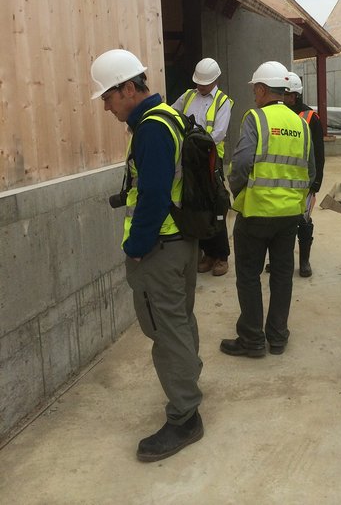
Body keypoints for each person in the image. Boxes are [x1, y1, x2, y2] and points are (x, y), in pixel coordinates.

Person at [90, 49, 203, 461]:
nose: (105, 105)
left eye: (106, 96)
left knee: (165, 331)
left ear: (126, 89)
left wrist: (136, 250)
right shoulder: (171, 116)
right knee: (179, 321)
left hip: (160, 249)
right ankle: (189, 385)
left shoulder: (151, 129)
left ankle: (184, 417)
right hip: (181, 243)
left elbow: (153, 197)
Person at [220, 61, 315, 358]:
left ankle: (252, 339)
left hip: (257, 211)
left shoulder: (255, 119)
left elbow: (242, 164)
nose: (254, 95)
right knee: (282, 274)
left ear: (262, 89)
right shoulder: (301, 123)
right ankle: (277, 336)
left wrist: (239, 191)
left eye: (254, 90)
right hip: (289, 216)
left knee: (248, 275)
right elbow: (310, 171)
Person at [171, 57, 233, 277]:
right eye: (198, 82)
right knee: (197, 206)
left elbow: (219, 133)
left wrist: (195, 143)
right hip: (190, 160)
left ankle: (222, 255)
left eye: (204, 83)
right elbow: (172, 115)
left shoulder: (223, 102)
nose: (200, 86)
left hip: (210, 160)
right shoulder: (188, 96)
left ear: (215, 80)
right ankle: (208, 252)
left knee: (215, 205)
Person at [283, 72, 325, 276]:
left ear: (296, 95)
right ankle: (280, 260)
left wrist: (316, 183)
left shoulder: (310, 117)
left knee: (304, 221)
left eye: (287, 94)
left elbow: (319, 153)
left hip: (305, 181)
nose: (283, 97)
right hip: (283, 178)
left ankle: (304, 261)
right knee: (282, 223)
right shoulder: (279, 114)